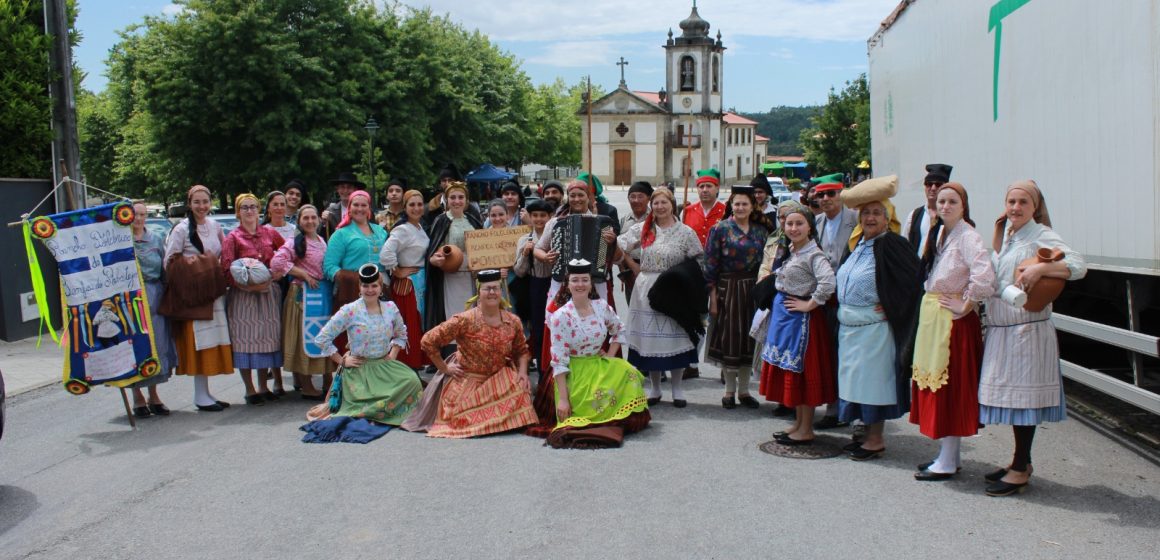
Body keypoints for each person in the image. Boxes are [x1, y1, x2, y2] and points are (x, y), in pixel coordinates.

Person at [977, 180, 1086, 497]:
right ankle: (1018, 460)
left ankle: (1021, 467)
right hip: (1005, 330)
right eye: (1011, 201)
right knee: (1013, 401)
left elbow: (1078, 265)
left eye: (1023, 202)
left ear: (1035, 207)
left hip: (1027, 329)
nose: (1015, 207)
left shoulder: (1042, 235)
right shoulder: (1010, 236)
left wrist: (1041, 270)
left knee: (1024, 402)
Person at [832, 176, 923, 460]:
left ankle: (875, 439)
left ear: (887, 218)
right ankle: (862, 433)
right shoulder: (858, 244)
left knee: (873, 384)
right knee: (855, 382)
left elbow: (913, 282)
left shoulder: (893, 245)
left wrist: (893, 305)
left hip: (875, 328)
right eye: (866, 213)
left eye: (876, 213)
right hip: (850, 327)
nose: (870, 218)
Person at [911, 182, 995, 481]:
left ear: (963, 206)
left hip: (952, 322)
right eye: (942, 201)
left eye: (952, 202)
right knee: (939, 384)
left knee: (949, 387)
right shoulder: (943, 234)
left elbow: (984, 275)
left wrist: (968, 303)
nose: (945, 206)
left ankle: (947, 460)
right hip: (937, 317)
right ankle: (950, 456)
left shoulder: (968, 236)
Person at [405, 270, 538, 438]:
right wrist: (444, 368)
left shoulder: (512, 321)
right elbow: (428, 341)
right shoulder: (465, 320)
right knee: (460, 416)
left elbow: (521, 351)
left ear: (501, 292)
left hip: (499, 377)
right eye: (487, 289)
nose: (492, 293)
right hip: (468, 378)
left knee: (522, 392)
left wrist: (522, 373)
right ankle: (496, 421)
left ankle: (492, 421)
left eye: (496, 289)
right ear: (478, 292)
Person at [539, 259, 650, 448]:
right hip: (574, 370)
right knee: (583, 406)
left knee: (628, 372)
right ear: (568, 283)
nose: (580, 284)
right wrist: (564, 400)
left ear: (591, 283)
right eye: (575, 280)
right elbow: (558, 361)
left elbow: (619, 330)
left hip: (598, 363)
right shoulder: (560, 316)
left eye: (584, 280)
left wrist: (610, 355)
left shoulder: (601, 307)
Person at [617, 188, 705, 407]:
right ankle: (655, 389)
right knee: (650, 340)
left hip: (674, 289)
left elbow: (699, 260)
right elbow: (619, 245)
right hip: (646, 288)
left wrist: (686, 278)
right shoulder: (643, 229)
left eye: (664, 202)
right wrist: (628, 261)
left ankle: (677, 389)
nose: (659, 207)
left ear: (672, 204)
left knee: (676, 337)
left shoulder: (685, 232)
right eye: (656, 203)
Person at [758, 202, 836, 445]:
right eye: (789, 224)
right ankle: (800, 424)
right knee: (793, 372)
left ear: (809, 228)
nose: (793, 228)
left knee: (802, 373)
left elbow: (828, 283)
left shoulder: (814, 254)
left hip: (803, 324)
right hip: (787, 321)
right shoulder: (796, 250)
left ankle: (806, 429)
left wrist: (809, 304)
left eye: (799, 223)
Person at [309, 263, 423, 425]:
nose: (370, 290)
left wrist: (392, 355)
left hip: (384, 365)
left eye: (374, 285)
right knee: (364, 399)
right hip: (359, 369)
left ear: (381, 287)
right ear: (359, 288)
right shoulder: (349, 310)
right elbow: (322, 339)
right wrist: (342, 360)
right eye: (365, 286)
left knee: (412, 381)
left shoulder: (390, 308)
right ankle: (375, 411)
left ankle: (377, 411)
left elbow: (401, 334)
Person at [163, 185, 233, 411]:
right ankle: (200, 394)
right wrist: (200, 264)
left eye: (205, 202)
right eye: (197, 202)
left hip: (211, 294)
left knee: (211, 342)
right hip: (193, 296)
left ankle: (206, 392)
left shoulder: (215, 226)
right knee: (199, 344)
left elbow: (222, 255)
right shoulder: (181, 230)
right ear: (189, 204)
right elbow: (169, 263)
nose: (202, 206)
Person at [704, 186, 771, 409]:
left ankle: (744, 391)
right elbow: (711, 264)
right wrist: (713, 297)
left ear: (753, 207)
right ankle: (728, 391)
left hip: (753, 288)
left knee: (749, 339)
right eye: (737, 203)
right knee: (730, 339)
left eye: (745, 204)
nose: (740, 207)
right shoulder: (720, 229)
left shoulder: (762, 231)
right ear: (731, 205)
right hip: (728, 288)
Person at [221, 193, 286, 404]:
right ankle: (250, 389)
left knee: (267, 337)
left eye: (253, 207)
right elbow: (226, 268)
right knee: (245, 339)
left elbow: (286, 253)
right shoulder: (232, 237)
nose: (249, 211)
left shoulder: (269, 233)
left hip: (268, 292)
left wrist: (278, 272)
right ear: (238, 212)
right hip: (243, 295)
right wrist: (247, 286)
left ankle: (263, 385)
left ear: (259, 210)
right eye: (244, 207)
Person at [271, 204, 333, 400]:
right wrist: (303, 274)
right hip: (302, 296)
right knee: (304, 338)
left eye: (313, 217)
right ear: (299, 221)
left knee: (322, 336)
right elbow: (276, 262)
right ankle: (306, 385)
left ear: (319, 220)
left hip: (321, 294)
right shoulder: (295, 242)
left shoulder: (322, 240)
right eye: (305, 218)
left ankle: (327, 380)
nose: (310, 221)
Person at [811, 179, 858, 430]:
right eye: (821, 195)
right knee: (827, 351)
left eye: (831, 194)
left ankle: (843, 408)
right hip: (823, 298)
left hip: (848, 296)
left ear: (840, 194)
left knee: (846, 353)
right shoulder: (816, 223)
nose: (826, 199)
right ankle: (831, 406)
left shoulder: (856, 219)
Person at [127, 201, 176, 418]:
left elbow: (165, 269)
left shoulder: (155, 239)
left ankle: (154, 394)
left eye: (142, 215)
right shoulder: (121, 243)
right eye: (135, 215)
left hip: (155, 296)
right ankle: (137, 396)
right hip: (131, 300)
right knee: (137, 347)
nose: (139, 219)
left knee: (156, 345)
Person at [679, 168, 726, 380]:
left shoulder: (726, 210)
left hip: (722, 272)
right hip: (694, 273)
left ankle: (727, 363)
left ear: (717, 188)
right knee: (694, 317)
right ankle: (691, 361)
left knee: (722, 317)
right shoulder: (688, 211)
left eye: (709, 186)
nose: (704, 190)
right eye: (701, 186)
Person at [379, 189, 432, 370]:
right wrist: (397, 271)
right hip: (407, 285)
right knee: (408, 326)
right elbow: (385, 253)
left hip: (419, 282)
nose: (416, 208)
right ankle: (405, 368)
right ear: (405, 207)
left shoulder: (419, 227)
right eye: (412, 205)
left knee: (417, 324)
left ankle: (413, 369)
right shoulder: (402, 229)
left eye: (419, 204)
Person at [424, 181, 484, 336]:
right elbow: (434, 250)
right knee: (455, 313)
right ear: (447, 199)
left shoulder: (473, 220)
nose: (457, 201)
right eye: (453, 197)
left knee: (472, 315)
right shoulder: (441, 221)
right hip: (451, 277)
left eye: (461, 197)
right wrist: (434, 260)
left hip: (472, 276)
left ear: (466, 200)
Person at [512, 199, 554, 367]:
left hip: (553, 284)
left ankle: (553, 362)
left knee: (553, 325)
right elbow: (519, 271)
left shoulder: (555, 236)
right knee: (537, 326)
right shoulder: (524, 240)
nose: (539, 219)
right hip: (534, 285)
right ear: (529, 217)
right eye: (535, 215)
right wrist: (524, 253)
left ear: (550, 217)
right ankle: (541, 364)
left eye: (543, 215)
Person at [903, 163, 952, 257]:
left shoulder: (951, 216)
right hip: (916, 269)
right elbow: (904, 247)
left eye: (938, 184)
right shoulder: (914, 215)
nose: (933, 188)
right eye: (929, 184)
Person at [619, 181, 652, 301]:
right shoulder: (624, 219)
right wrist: (623, 269)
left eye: (640, 196)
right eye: (632, 197)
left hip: (651, 270)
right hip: (630, 272)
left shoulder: (655, 218)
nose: (636, 200)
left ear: (648, 199)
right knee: (633, 307)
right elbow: (619, 246)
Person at [321, 172, 364, 238]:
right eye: (342, 187)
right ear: (337, 189)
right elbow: (324, 236)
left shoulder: (365, 211)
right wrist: (323, 223)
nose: (345, 190)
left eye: (349, 187)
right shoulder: (330, 212)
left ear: (355, 190)